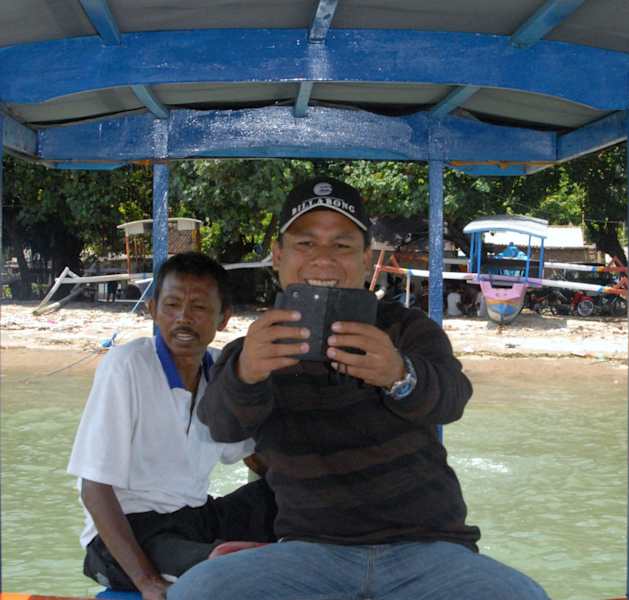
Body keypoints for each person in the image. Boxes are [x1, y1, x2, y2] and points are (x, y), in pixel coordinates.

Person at [168, 178, 549, 600]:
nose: (323, 259)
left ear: (366, 259)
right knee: (196, 592)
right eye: (306, 244)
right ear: (278, 256)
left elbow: (453, 398)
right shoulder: (253, 348)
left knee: (524, 596)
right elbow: (221, 426)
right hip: (309, 552)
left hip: (428, 548)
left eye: (342, 245)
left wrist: (400, 374)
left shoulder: (406, 328)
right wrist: (247, 374)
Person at [67, 252, 277, 600]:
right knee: (222, 564)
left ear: (223, 318)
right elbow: (94, 488)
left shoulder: (220, 370)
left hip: (193, 518)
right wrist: (146, 581)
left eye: (199, 307)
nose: (183, 318)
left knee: (289, 497)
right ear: (153, 310)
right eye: (172, 305)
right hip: (130, 530)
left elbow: (252, 453)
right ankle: (209, 562)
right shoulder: (127, 365)